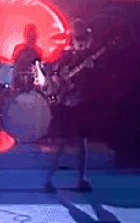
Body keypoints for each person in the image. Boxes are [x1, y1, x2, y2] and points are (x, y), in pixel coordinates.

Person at [45, 17, 95, 193]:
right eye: (76, 36)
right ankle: (49, 179)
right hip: (67, 103)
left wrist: (91, 70)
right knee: (63, 143)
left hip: (81, 103)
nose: (79, 42)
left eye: (82, 38)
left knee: (82, 142)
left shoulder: (89, 56)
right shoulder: (66, 56)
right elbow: (54, 75)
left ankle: (81, 179)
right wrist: (61, 77)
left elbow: (94, 82)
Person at [11, 24, 43, 91]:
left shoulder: (38, 50)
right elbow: (13, 61)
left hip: (32, 79)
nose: (30, 37)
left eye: (32, 34)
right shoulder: (19, 48)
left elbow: (39, 66)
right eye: (29, 34)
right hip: (18, 77)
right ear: (25, 35)